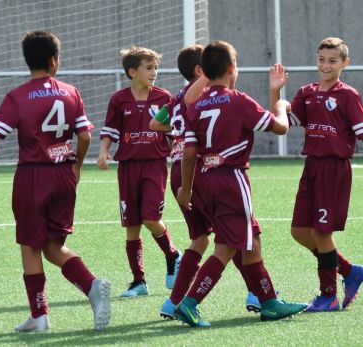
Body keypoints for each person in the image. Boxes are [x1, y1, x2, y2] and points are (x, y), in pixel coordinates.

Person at [0, 31, 112, 332]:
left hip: (33, 176)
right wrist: (76, 166)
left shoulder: (18, 96)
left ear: (29, 61)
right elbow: (85, 134)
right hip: (63, 174)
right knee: (53, 246)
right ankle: (92, 287)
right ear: (54, 60)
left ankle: (40, 315)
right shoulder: (70, 91)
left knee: (29, 244)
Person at [173, 40, 308, 327]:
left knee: (251, 241)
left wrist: (186, 188)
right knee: (226, 247)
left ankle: (269, 302)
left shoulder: (195, 106)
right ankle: (189, 302)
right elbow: (281, 127)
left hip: (205, 180)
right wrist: (279, 101)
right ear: (232, 68)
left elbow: (189, 152)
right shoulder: (239, 101)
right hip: (231, 179)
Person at [272, 37, 363, 312]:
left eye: (332, 61)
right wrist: (276, 93)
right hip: (311, 166)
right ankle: (349, 270)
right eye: (322, 59)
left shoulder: (347, 95)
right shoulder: (306, 92)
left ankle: (328, 296)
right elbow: (282, 123)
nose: (325, 65)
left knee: (321, 232)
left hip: (334, 169)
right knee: (299, 231)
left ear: (344, 63)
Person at [150, 45, 263, 319]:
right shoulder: (199, 95)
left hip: (177, 167)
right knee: (237, 234)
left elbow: (155, 124)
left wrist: (177, 132)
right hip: (201, 169)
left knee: (200, 238)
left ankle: (173, 301)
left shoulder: (176, 98)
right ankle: (257, 293)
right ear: (201, 70)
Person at [98, 46, 182, 297]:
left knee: (150, 218)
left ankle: (173, 254)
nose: (154, 72)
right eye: (148, 67)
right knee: (132, 225)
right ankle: (139, 282)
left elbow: (173, 132)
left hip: (154, 166)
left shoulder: (163, 97)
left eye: (155, 67)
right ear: (132, 71)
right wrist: (103, 152)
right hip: (127, 167)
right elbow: (110, 129)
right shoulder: (119, 99)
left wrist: (173, 147)